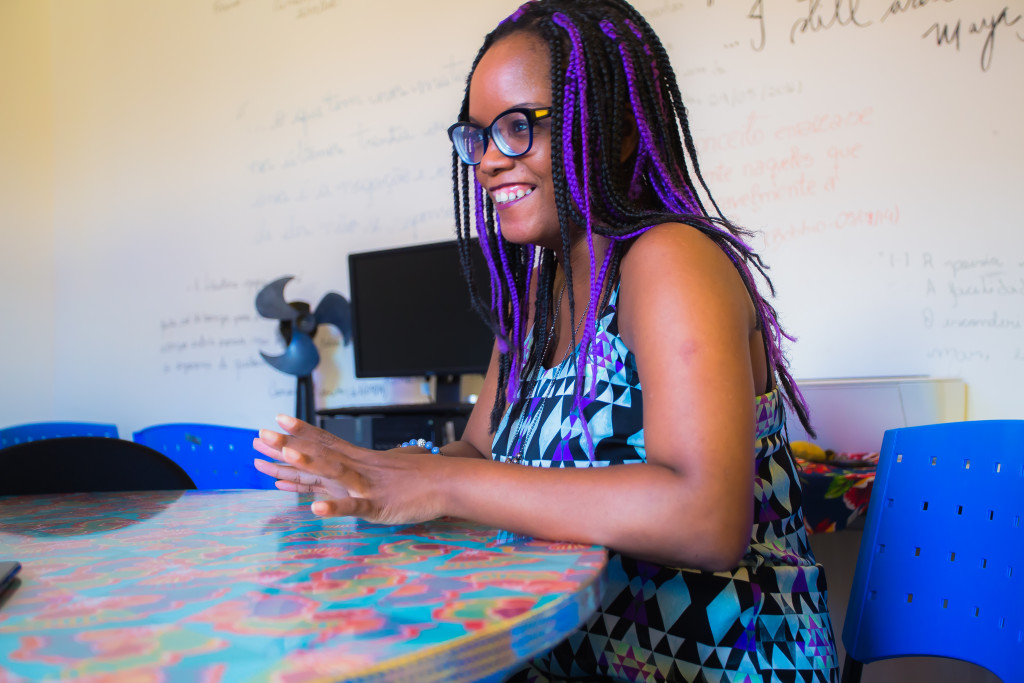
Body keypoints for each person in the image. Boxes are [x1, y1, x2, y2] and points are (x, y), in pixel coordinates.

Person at [253, 1, 840, 680]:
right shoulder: (541, 290)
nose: (488, 162)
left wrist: (444, 482)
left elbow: (705, 516)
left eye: (517, 127)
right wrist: (371, 478)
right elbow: (477, 451)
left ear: (618, 133)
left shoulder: (671, 260)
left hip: (728, 665)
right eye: (477, 137)